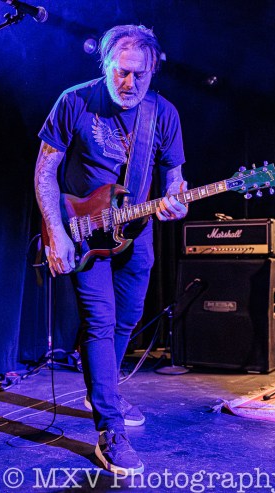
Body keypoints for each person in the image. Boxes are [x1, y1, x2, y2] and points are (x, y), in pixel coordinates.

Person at [34, 25, 188, 475]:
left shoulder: (163, 113)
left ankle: (103, 390)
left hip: (135, 233)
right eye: (121, 72)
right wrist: (56, 232)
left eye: (140, 74)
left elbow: (174, 177)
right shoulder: (74, 101)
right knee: (100, 321)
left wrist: (176, 200)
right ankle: (110, 428)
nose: (129, 83)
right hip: (83, 232)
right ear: (104, 65)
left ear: (153, 71)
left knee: (128, 318)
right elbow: (44, 171)